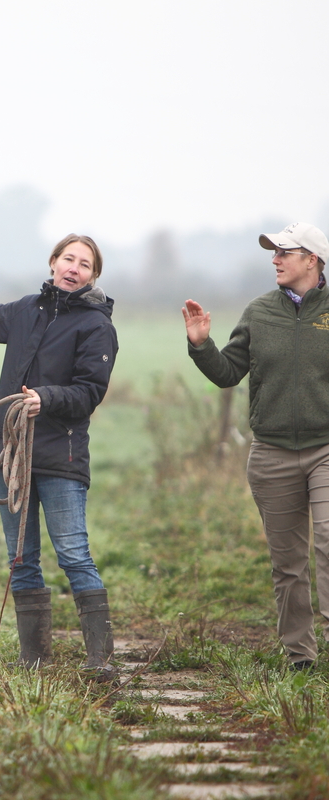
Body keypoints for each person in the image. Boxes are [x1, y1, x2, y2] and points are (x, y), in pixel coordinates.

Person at [0, 228, 119, 675]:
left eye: (85, 265)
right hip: (11, 455)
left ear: (93, 277)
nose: (74, 269)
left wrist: (45, 399)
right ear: (53, 262)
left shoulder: (97, 326)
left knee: (74, 554)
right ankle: (33, 657)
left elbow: (89, 392)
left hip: (61, 458)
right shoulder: (25, 310)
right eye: (68, 259)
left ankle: (101, 659)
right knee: (20, 559)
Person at [182, 221, 329, 671]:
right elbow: (228, 373)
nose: (275, 259)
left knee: (328, 539)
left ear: (313, 259)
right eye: (274, 252)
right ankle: (301, 657)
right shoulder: (259, 311)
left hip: (327, 449)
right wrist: (202, 346)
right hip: (271, 454)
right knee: (288, 565)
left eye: (285, 252)